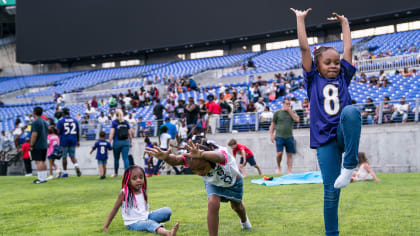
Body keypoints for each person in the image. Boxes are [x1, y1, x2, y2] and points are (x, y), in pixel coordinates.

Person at [292, 8, 361, 236]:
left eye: (337, 62)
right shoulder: (312, 80)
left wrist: (345, 23)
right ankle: (332, 233)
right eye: (328, 63)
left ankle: (349, 165)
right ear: (318, 65)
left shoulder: (343, 76)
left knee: (351, 111)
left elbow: (349, 48)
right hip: (325, 140)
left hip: (342, 131)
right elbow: (304, 48)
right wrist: (300, 20)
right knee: (331, 190)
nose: (333, 65)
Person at [146, 140, 252, 236]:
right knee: (213, 202)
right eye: (194, 170)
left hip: (233, 183)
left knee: (237, 207)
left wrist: (202, 154)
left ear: (208, 160)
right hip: (213, 183)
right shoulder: (192, 158)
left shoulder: (220, 153)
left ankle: (244, 221)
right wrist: (166, 158)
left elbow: (219, 157)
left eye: (201, 168)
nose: (199, 173)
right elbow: (176, 160)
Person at [103, 165, 179, 235]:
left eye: (141, 177)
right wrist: (106, 226)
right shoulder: (124, 192)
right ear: (128, 181)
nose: (138, 180)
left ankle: (152, 223)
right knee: (149, 224)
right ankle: (168, 233)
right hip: (133, 223)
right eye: (134, 178)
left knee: (167, 211)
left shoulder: (143, 190)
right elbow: (115, 209)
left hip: (146, 217)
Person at [269, 98, 299, 174]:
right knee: (279, 153)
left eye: (289, 104)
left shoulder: (292, 112)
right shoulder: (277, 113)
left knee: (289, 154)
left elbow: (297, 120)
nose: (288, 105)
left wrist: (289, 111)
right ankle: (278, 167)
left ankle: (289, 171)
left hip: (289, 136)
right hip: (279, 136)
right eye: (286, 104)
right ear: (283, 104)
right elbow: (272, 125)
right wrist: (271, 135)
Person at [56, 108, 82, 177]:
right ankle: (76, 166)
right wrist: (78, 141)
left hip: (64, 140)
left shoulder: (60, 121)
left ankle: (65, 172)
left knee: (64, 157)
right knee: (72, 156)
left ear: (63, 113)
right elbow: (78, 131)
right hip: (73, 139)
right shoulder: (75, 120)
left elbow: (57, 132)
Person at [108, 109, 133, 177]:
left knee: (116, 158)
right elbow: (130, 134)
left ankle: (116, 173)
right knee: (125, 158)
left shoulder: (114, 122)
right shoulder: (126, 122)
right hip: (126, 142)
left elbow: (111, 133)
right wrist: (130, 142)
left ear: (116, 115)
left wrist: (109, 142)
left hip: (117, 142)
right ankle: (127, 174)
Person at [30, 106, 49, 184]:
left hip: (38, 145)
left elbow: (34, 134)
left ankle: (40, 179)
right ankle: (44, 178)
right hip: (44, 144)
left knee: (38, 161)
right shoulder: (45, 122)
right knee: (43, 161)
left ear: (34, 113)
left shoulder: (35, 122)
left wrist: (31, 145)